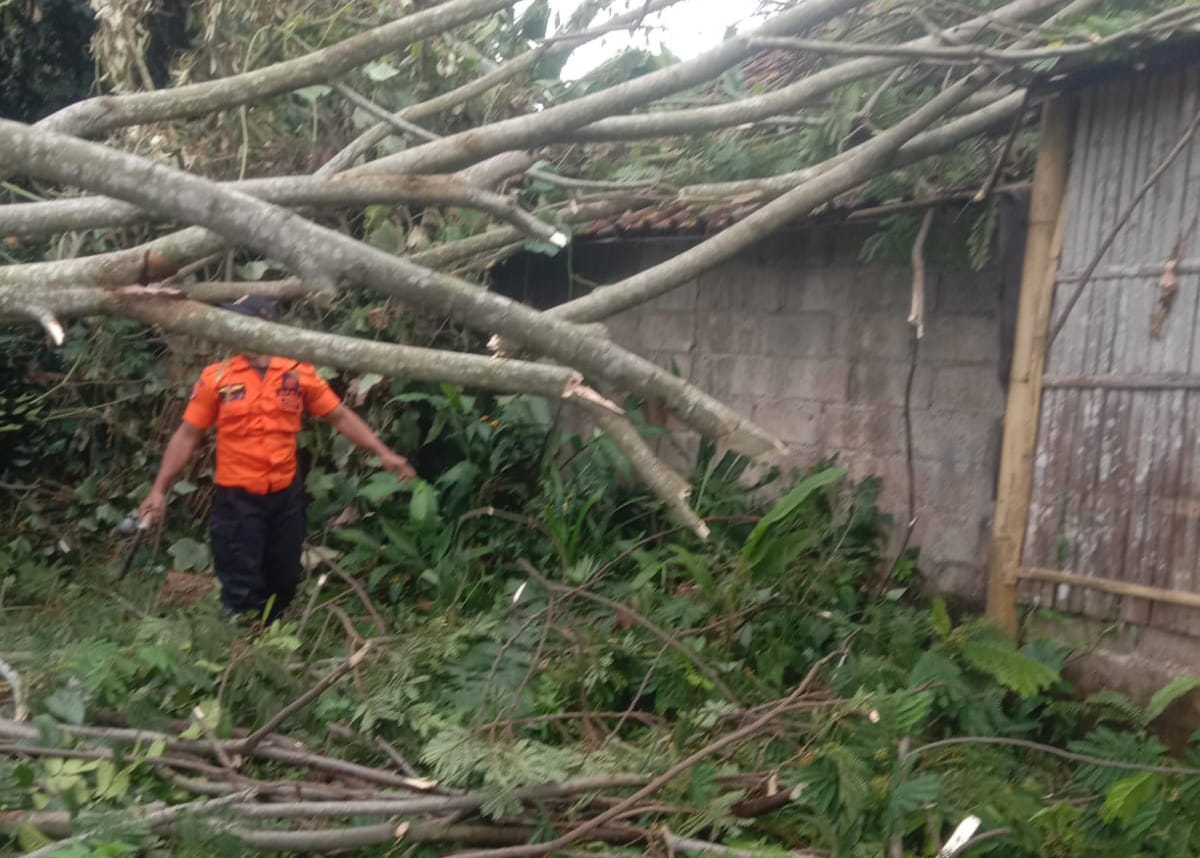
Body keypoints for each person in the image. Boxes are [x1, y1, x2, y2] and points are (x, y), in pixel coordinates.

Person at [138, 296, 414, 621]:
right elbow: (187, 436)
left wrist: (383, 453)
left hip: (285, 499)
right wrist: (158, 489)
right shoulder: (217, 377)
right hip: (237, 501)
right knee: (240, 586)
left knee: (283, 580)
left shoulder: (298, 373)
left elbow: (339, 416)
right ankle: (242, 654)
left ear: (265, 326)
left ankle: (269, 639)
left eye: (241, 324)